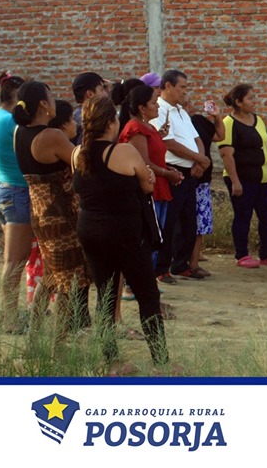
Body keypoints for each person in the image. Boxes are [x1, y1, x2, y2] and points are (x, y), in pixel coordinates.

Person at [71, 96, 168, 365]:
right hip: (124, 232)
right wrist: (147, 175)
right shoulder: (123, 152)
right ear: (111, 123)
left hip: (90, 230)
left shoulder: (77, 153)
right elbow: (147, 186)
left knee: (105, 295)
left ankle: (111, 361)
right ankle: (161, 362)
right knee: (148, 296)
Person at [12, 80, 91, 331]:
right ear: (44, 105)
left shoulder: (19, 132)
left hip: (40, 213)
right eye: (51, 96)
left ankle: (35, 335)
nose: (55, 101)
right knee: (69, 281)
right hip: (60, 216)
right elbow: (82, 164)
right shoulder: (52, 136)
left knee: (50, 276)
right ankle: (59, 343)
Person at [150, 70, 211, 283]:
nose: (185, 91)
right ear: (167, 86)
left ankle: (181, 264)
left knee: (188, 221)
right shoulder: (159, 110)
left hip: (190, 170)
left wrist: (199, 161)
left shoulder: (181, 112)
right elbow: (169, 143)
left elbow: (197, 138)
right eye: (182, 87)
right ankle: (162, 268)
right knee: (169, 222)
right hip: (172, 171)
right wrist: (199, 158)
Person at [218, 83, 267, 268]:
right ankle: (241, 255)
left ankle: (266, 254)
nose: (254, 101)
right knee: (243, 215)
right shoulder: (229, 123)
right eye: (250, 98)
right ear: (238, 102)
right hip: (241, 178)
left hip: (262, 177)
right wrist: (235, 181)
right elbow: (226, 154)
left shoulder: (258, 120)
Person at [118, 86, 184, 277]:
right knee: (148, 237)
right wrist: (167, 173)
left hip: (159, 187)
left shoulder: (149, 127)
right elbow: (143, 163)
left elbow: (154, 157)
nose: (158, 106)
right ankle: (138, 282)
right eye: (154, 103)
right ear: (142, 108)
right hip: (148, 189)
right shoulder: (135, 129)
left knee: (156, 237)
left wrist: (168, 169)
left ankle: (147, 280)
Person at [0, 70, 32, 333]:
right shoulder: (10, 122)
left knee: (16, 259)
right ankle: (10, 320)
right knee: (14, 261)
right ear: (17, 97)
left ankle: (9, 316)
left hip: (4, 191)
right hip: (15, 194)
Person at [188, 95, 225, 276]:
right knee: (182, 224)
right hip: (184, 177)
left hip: (202, 180)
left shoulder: (198, 121)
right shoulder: (170, 122)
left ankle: (194, 263)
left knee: (199, 224)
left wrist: (217, 117)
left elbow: (220, 135)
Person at [71, 71, 108, 145]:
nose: (106, 94)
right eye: (101, 90)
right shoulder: (85, 119)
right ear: (90, 94)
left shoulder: (76, 116)